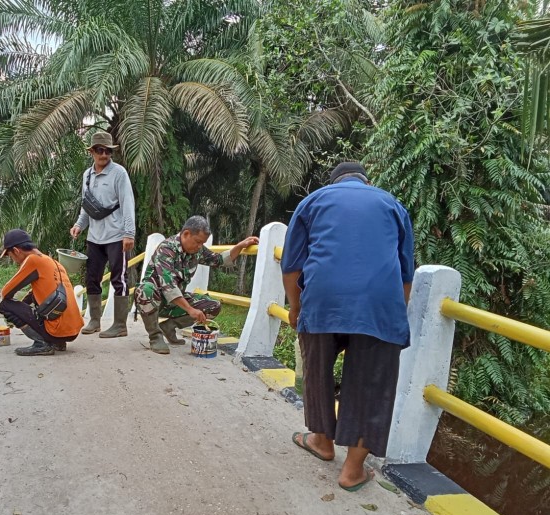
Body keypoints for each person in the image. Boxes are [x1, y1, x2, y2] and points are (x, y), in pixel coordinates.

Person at [281, 161, 414, 491]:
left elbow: (291, 266)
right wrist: (391, 315)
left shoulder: (313, 201)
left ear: (335, 181)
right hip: (379, 304)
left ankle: (322, 442)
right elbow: (406, 274)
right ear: (367, 181)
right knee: (372, 383)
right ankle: (353, 471)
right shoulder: (392, 204)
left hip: (323, 299)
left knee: (318, 368)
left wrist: (296, 309)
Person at [136, 215, 259, 355]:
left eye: (203, 243)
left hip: (175, 302)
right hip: (154, 300)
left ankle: (169, 326)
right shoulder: (166, 249)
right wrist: (190, 309)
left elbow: (218, 260)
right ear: (186, 233)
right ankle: (155, 336)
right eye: (198, 242)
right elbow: (168, 286)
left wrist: (240, 246)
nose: (200, 246)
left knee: (213, 306)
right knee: (145, 289)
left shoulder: (197, 251)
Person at [70, 131, 136, 339]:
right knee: (92, 278)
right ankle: (95, 320)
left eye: (108, 151)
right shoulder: (87, 175)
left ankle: (119, 325)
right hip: (95, 237)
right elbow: (87, 204)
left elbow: (128, 203)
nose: (104, 155)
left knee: (119, 279)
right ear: (92, 152)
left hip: (117, 236)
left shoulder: (119, 173)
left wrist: (129, 233)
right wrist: (79, 225)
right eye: (100, 150)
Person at [0, 229, 84, 356]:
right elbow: (37, 293)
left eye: (11, 256)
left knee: (5, 305)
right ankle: (58, 343)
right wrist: (21, 309)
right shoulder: (54, 263)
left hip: (56, 331)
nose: (14, 260)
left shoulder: (33, 260)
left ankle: (42, 344)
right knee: (30, 300)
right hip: (73, 332)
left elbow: (6, 293)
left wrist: (16, 313)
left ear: (16, 251)